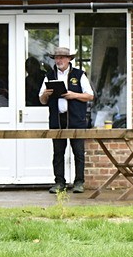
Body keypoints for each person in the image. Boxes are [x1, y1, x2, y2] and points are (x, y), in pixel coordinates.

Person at [39, 46, 95, 193]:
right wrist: (46, 93)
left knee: (78, 152)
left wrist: (73, 95)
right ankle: (59, 182)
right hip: (57, 120)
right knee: (58, 152)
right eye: (57, 58)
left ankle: (79, 182)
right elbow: (42, 100)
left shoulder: (79, 74)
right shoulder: (49, 76)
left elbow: (90, 96)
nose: (59, 60)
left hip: (76, 119)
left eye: (62, 57)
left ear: (69, 59)